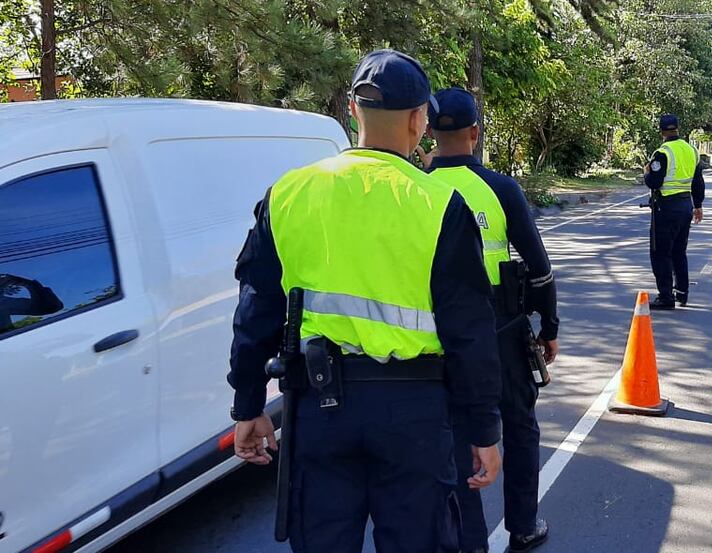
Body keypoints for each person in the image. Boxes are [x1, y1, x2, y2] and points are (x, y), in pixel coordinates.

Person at [227, 50, 503, 553]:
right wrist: (483, 428)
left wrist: (248, 402)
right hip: (415, 417)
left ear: (353, 111)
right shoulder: (439, 205)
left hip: (320, 408)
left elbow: (255, 312)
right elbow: (470, 330)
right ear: (420, 120)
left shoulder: (289, 193)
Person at [427, 87, 560, 553]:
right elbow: (539, 268)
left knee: (459, 438)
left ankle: (469, 542)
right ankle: (523, 524)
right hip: (501, 331)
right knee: (519, 426)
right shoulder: (500, 189)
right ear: (476, 133)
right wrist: (550, 327)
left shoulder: (413, 185)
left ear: (426, 129)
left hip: (434, 335)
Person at [643, 114, 705, 310]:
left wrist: (646, 172)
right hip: (686, 206)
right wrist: (698, 205)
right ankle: (682, 293)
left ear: (661, 131)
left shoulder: (662, 153)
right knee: (679, 251)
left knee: (661, 252)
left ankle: (666, 296)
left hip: (666, 207)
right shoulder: (691, 150)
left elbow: (654, 182)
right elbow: (698, 181)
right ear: (678, 129)